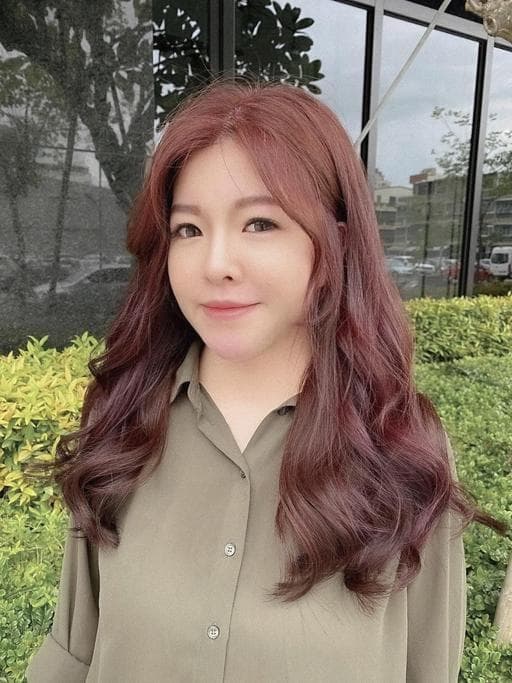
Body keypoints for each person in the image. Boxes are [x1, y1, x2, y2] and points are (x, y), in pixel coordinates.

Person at [25, 75, 507, 682]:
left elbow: (426, 667)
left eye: (259, 223)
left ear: (334, 241)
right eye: (188, 229)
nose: (216, 264)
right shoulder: (124, 419)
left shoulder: (402, 447)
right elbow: (73, 654)